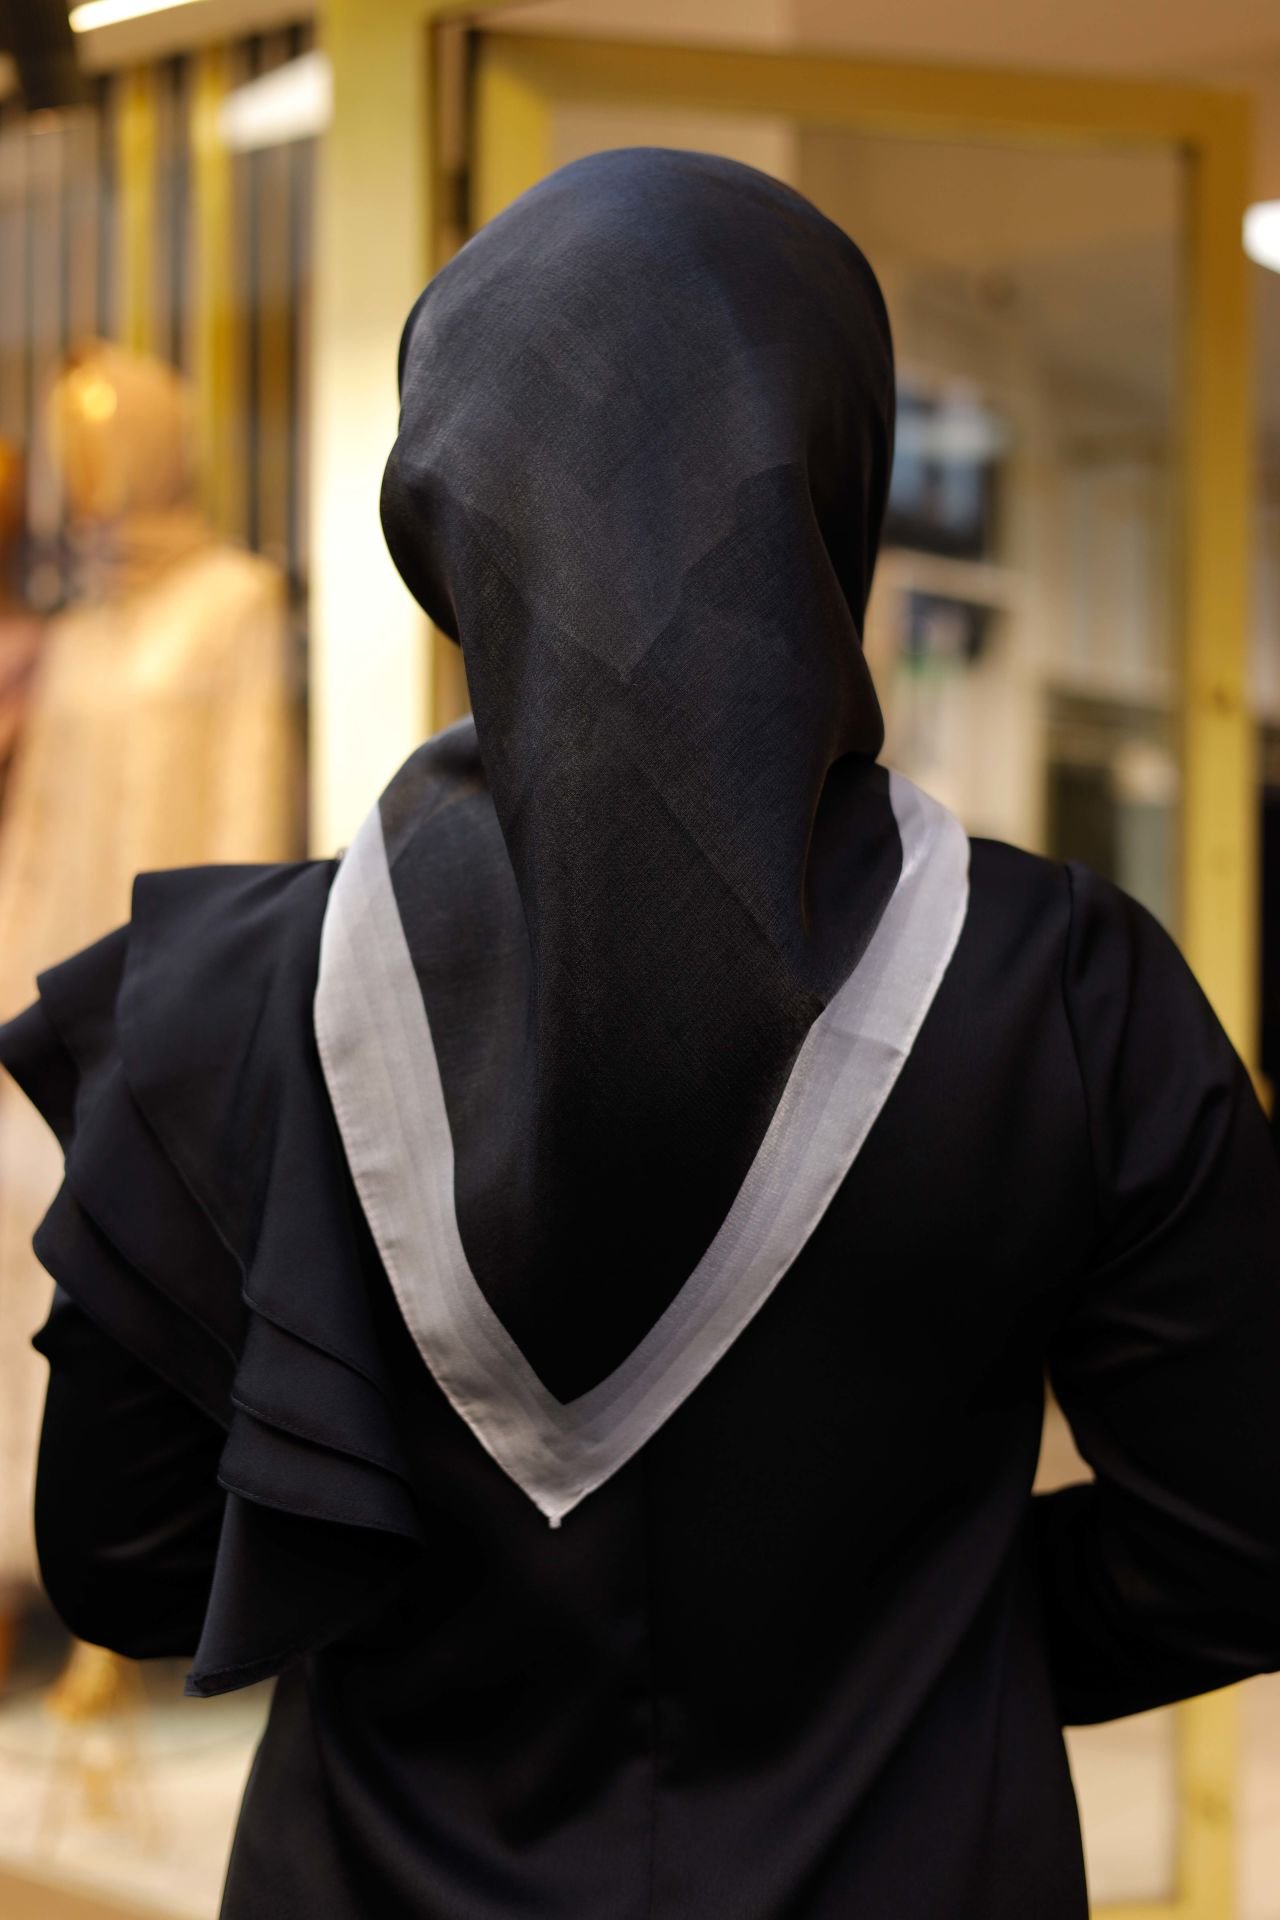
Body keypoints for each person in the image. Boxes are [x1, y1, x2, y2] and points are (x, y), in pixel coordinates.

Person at [3, 148, 1280, 1920]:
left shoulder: (229, 998)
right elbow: (1241, 1540)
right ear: (839, 483)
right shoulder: (1073, 993)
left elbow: (130, 1569)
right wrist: (926, 1662)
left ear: (449, 515)